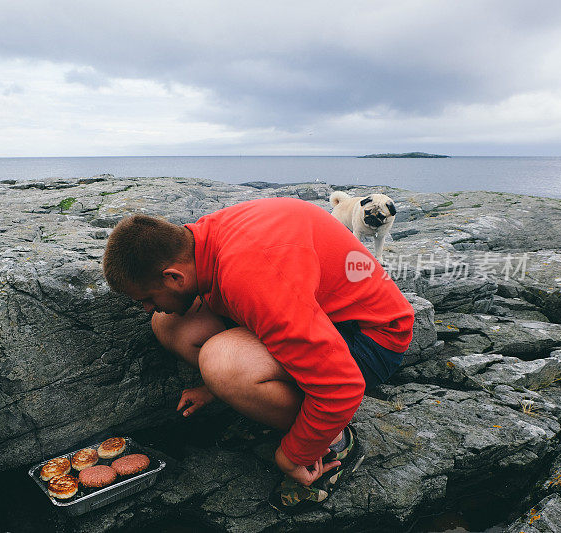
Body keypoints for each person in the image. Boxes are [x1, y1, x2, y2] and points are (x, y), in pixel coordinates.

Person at [102, 197, 414, 512]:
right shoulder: (202, 241)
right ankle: (273, 400)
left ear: (173, 277)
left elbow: (341, 386)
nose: (145, 307)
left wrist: (292, 455)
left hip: (370, 336)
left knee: (221, 362)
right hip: (310, 311)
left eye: (146, 297)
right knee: (169, 324)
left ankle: (333, 441)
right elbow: (270, 300)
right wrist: (215, 389)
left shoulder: (251, 275)